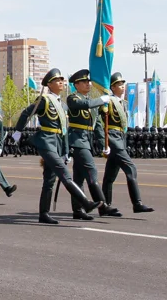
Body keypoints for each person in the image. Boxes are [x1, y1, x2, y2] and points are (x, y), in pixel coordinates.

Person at [14, 69, 102, 224]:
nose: (61, 82)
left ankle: (44, 214)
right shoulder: (44, 100)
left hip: (57, 143)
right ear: (49, 84)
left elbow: (64, 130)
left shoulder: (62, 104)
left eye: (62, 80)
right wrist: (18, 131)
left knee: (49, 180)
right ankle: (86, 203)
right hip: (46, 142)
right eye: (57, 80)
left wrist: (66, 151)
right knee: (65, 174)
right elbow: (26, 113)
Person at [66, 69, 120, 219]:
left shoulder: (90, 101)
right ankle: (103, 206)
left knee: (78, 178)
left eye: (88, 81)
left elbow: (96, 126)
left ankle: (77, 210)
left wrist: (104, 145)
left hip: (86, 142)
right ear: (76, 85)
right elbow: (86, 104)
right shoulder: (73, 99)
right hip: (77, 142)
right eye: (84, 82)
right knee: (91, 172)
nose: (88, 84)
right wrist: (102, 100)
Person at [100, 72, 154, 214]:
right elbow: (100, 122)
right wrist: (104, 142)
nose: (122, 86)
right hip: (113, 138)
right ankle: (137, 203)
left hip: (120, 138)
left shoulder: (121, 103)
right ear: (112, 87)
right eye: (118, 84)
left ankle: (104, 206)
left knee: (110, 175)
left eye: (123, 84)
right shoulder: (108, 101)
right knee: (131, 169)